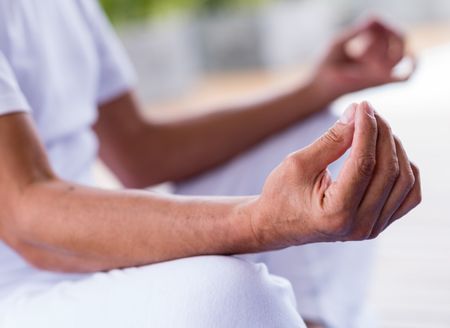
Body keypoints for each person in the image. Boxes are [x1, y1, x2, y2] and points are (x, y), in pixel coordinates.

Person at [0, 1, 421, 327]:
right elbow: (25, 216)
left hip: (79, 243)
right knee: (229, 296)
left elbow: (138, 150)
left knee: (325, 144)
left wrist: (318, 88)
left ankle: (312, 320)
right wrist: (261, 221)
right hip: (16, 288)